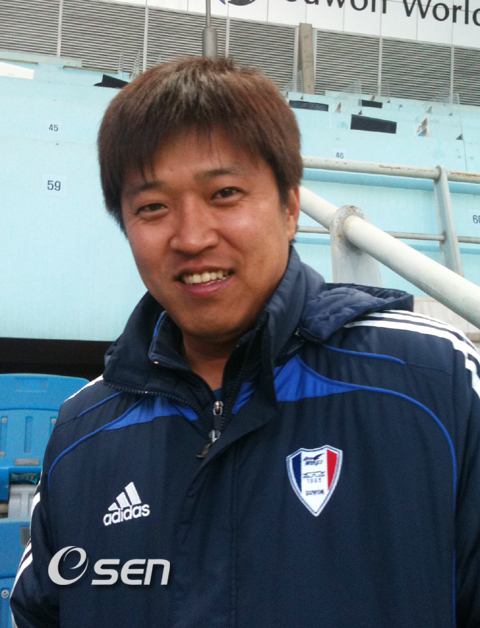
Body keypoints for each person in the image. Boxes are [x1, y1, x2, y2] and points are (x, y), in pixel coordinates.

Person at [10, 57, 480, 628]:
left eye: (225, 193)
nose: (191, 237)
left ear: (289, 207)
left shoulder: (436, 381)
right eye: (153, 207)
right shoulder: (81, 431)